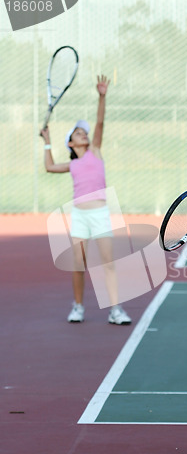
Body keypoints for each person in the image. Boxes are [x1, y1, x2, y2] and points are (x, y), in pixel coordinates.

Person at [40, 75, 131, 326]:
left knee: (108, 263)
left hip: (100, 213)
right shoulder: (72, 164)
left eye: (85, 132)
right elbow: (48, 166)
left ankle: (115, 310)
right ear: (70, 142)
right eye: (79, 133)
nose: (84, 135)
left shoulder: (96, 152)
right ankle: (78, 306)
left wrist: (102, 96)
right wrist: (47, 142)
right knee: (78, 265)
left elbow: (100, 122)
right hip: (79, 215)